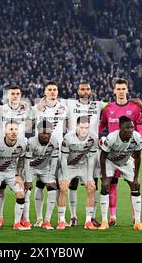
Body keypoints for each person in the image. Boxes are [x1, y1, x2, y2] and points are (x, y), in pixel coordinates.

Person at [98, 78, 142, 227]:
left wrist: (138, 140)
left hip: (127, 153)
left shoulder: (134, 107)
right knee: (111, 184)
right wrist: (99, 137)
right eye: (118, 89)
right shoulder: (108, 108)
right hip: (111, 152)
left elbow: (139, 124)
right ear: (114, 91)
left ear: (127, 90)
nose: (120, 91)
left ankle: (136, 218)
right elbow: (102, 125)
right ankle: (112, 216)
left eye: (123, 89)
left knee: (133, 184)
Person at [63, 81, 104, 227]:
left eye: (88, 89)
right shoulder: (69, 104)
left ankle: (91, 217)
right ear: (77, 90)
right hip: (74, 148)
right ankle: (73, 216)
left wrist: (135, 103)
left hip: (92, 149)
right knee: (72, 183)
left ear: (91, 90)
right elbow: (51, 101)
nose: (85, 91)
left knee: (94, 183)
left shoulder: (98, 104)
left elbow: (115, 106)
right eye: (82, 89)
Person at [99, 116, 142, 231]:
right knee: (105, 186)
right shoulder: (111, 138)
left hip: (126, 162)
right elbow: (103, 156)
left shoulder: (137, 137)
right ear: (120, 127)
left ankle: (138, 222)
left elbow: (138, 157)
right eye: (127, 128)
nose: (130, 130)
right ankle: (104, 221)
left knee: (136, 186)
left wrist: (136, 177)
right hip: (110, 161)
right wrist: (104, 177)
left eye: (132, 127)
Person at [58, 116, 98, 230]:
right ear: (76, 126)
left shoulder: (93, 137)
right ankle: (61, 220)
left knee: (91, 188)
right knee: (63, 188)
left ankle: (88, 221)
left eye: (86, 127)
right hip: (69, 166)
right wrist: (65, 178)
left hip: (83, 166)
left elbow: (91, 158)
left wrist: (90, 177)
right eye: (81, 127)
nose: (84, 130)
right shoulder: (68, 138)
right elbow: (64, 159)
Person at [0, 120, 29, 230]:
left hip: (12, 173)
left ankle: (16, 224)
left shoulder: (22, 144)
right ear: (5, 132)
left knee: (21, 194)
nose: (14, 132)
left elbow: (21, 160)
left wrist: (20, 175)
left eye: (16, 129)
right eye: (11, 129)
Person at [25, 121, 59, 230]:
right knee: (27, 191)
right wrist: (28, 179)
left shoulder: (54, 142)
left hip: (45, 169)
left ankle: (47, 221)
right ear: (37, 132)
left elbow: (54, 162)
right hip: (31, 168)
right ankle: (28, 220)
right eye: (43, 133)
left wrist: (52, 177)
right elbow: (26, 161)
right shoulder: (31, 142)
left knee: (52, 189)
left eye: (48, 133)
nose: (46, 135)